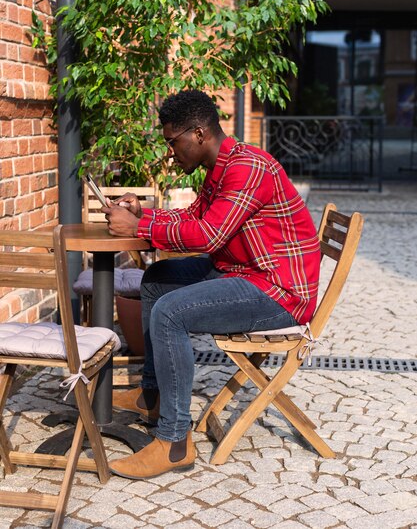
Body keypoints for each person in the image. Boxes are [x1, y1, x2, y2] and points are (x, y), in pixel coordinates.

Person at [102, 89, 321, 480]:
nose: (171, 152)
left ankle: (174, 444)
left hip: (278, 292)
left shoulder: (248, 168)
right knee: (157, 279)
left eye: (173, 142)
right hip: (243, 273)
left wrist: (141, 228)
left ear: (199, 133)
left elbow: (209, 235)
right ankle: (153, 396)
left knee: (171, 313)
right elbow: (194, 217)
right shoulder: (220, 168)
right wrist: (145, 214)